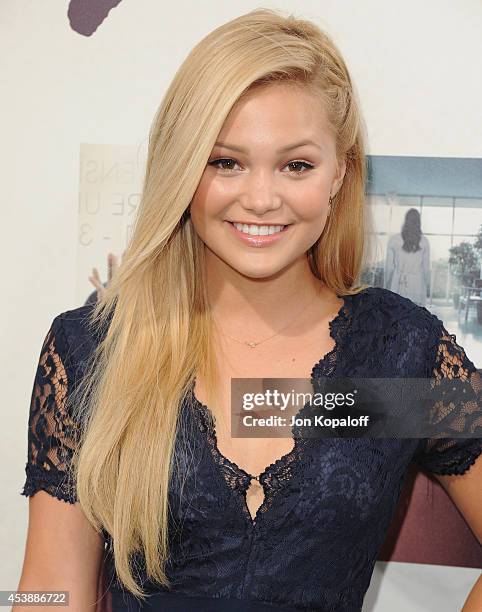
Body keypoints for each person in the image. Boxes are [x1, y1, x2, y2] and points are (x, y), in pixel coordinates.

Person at [17, 8, 482, 612]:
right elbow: (51, 591)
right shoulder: (92, 352)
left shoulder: (397, 356)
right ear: (183, 167)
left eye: (296, 165)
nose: (261, 199)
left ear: (340, 172)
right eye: (225, 161)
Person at [385, 208, 431, 306]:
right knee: (416, 317)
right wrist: (426, 286)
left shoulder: (394, 240)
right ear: (419, 222)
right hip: (417, 285)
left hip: (398, 284)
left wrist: (386, 285)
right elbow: (426, 269)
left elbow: (389, 268)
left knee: (398, 315)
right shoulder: (424, 241)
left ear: (405, 220)